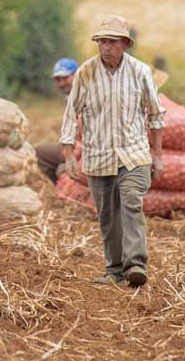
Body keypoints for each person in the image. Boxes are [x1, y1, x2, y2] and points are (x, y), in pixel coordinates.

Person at [60, 15, 165, 288]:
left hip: (134, 153)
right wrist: (69, 155)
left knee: (131, 200)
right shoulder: (86, 72)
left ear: (125, 44)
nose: (105, 47)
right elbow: (71, 114)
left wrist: (158, 154)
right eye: (101, 41)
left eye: (112, 41)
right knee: (107, 215)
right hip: (98, 155)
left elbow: (155, 115)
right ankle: (114, 270)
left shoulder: (140, 72)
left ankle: (135, 265)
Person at [35, 58, 80, 183]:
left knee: (39, 154)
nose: (61, 83)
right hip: (73, 144)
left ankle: (59, 183)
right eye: (58, 80)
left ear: (77, 75)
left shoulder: (83, 95)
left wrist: (71, 156)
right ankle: (59, 185)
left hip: (82, 147)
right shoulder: (70, 96)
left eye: (65, 78)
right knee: (41, 151)